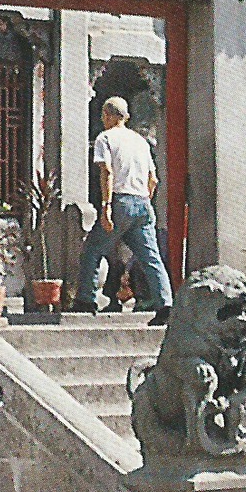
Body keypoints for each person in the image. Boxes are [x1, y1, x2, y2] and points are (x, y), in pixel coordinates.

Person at [70, 96, 173, 326]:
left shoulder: (105, 138)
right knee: (151, 258)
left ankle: (86, 299)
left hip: (120, 201)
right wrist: (145, 199)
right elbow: (153, 179)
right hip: (143, 203)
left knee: (92, 250)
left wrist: (106, 206)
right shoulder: (140, 141)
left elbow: (106, 172)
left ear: (107, 115)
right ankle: (165, 304)